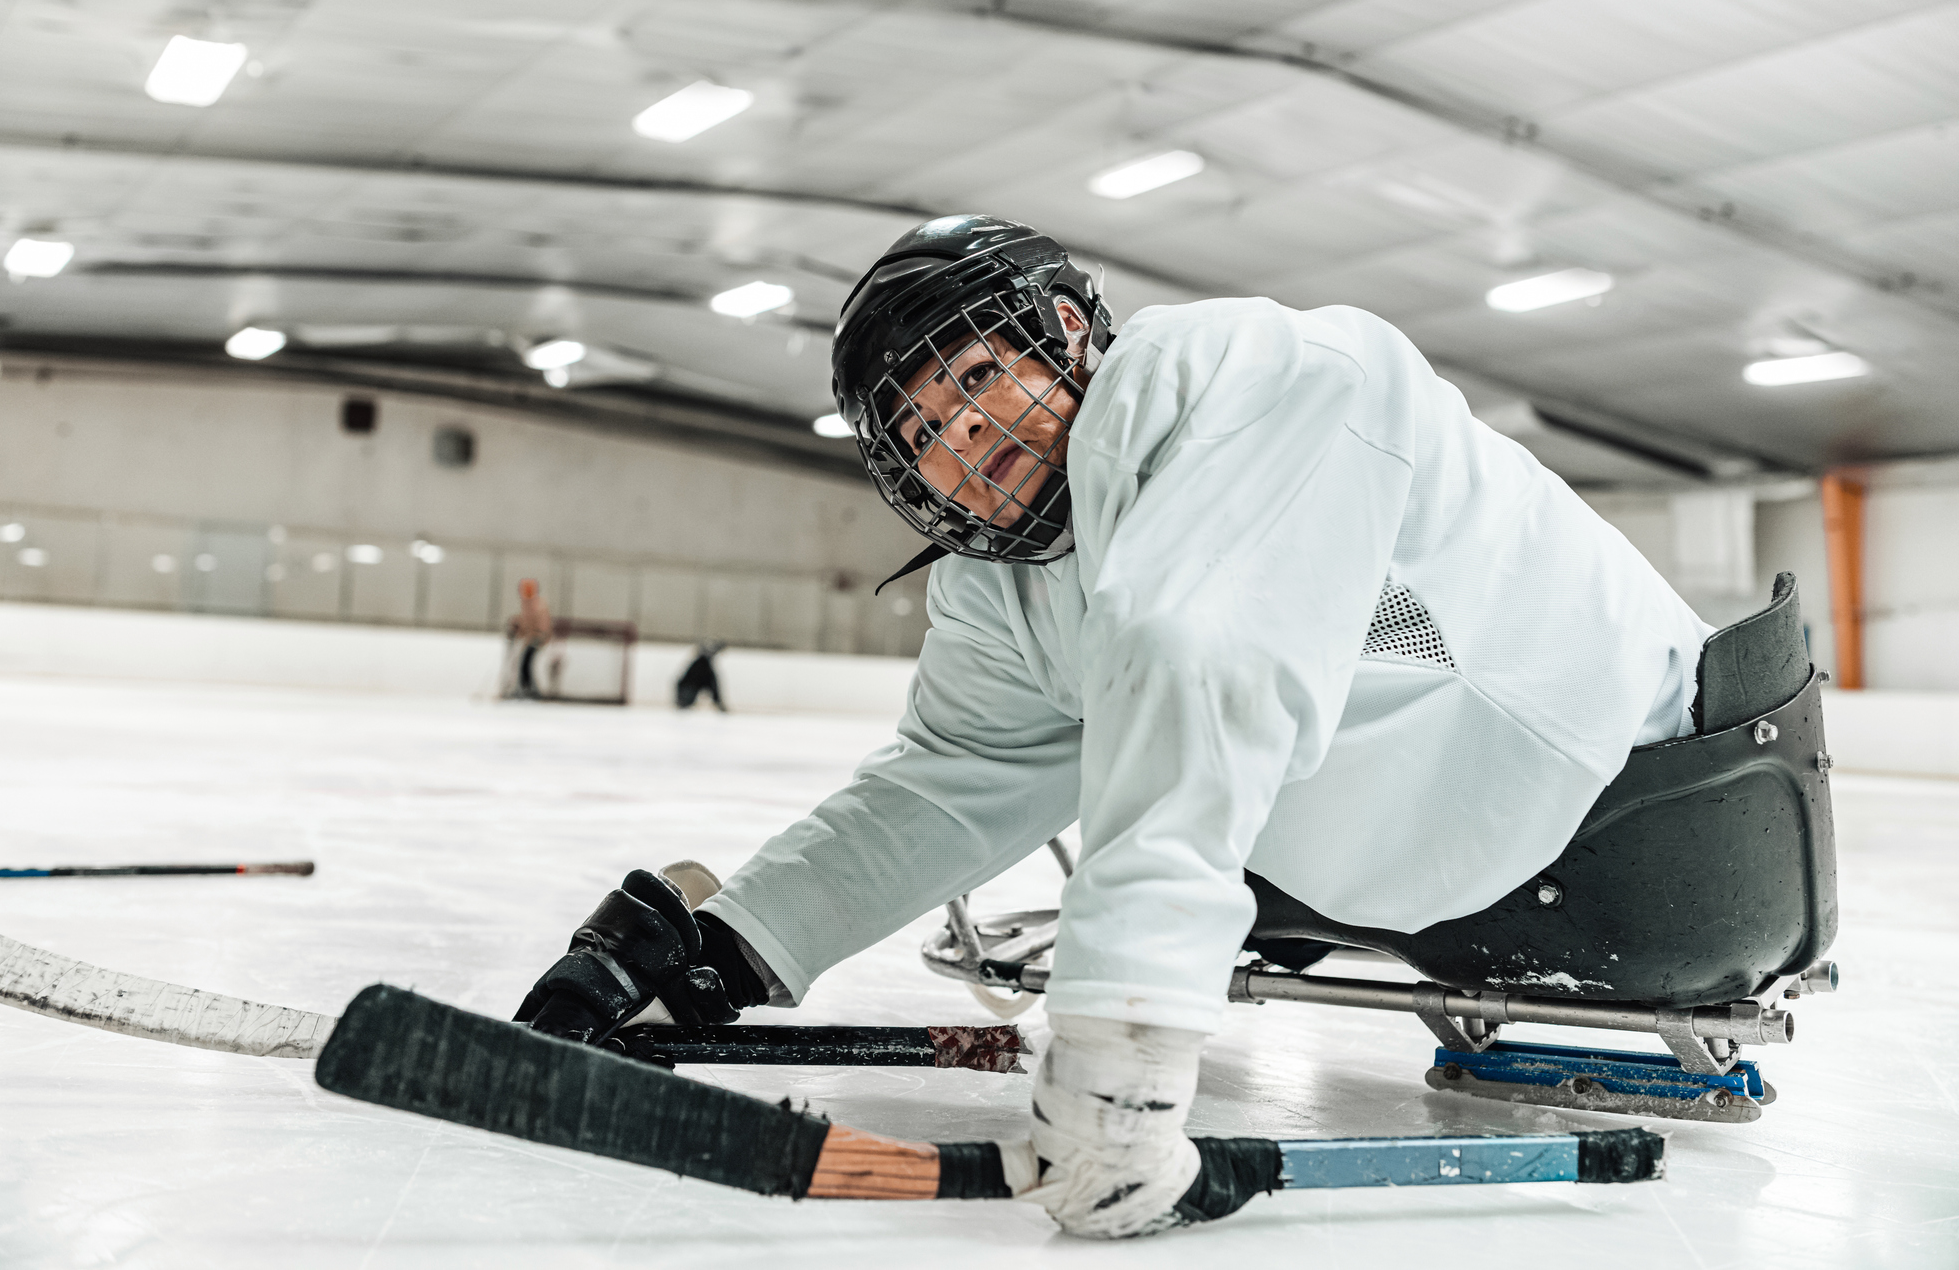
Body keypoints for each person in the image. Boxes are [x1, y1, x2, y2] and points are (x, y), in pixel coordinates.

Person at [514, 216, 1712, 1238]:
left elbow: (1196, 656)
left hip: (1636, 793)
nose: (966, 443)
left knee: (1171, 662)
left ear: (1067, 331)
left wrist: (1124, 1055)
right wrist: (729, 950)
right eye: (924, 434)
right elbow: (950, 778)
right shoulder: (1004, 582)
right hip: (1438, 865)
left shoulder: (1245, 375)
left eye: (978, 380)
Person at [511, 578, 552, 699]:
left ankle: (528, 689)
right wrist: (516, 626)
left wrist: (540, 635)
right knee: (524, 663)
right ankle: (526, 688)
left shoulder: (538, 605)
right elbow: (525, 625)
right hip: (532, 639)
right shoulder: (527, 605)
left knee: (526, 662)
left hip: (536, 640)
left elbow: (542, 623)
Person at [674, 641, 727, 711]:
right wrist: (718, 702)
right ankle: (682, 701)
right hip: (686, 692)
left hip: (686, 692)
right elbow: (713, 685)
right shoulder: (704, 668)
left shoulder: (698, 665)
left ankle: (682, 701)